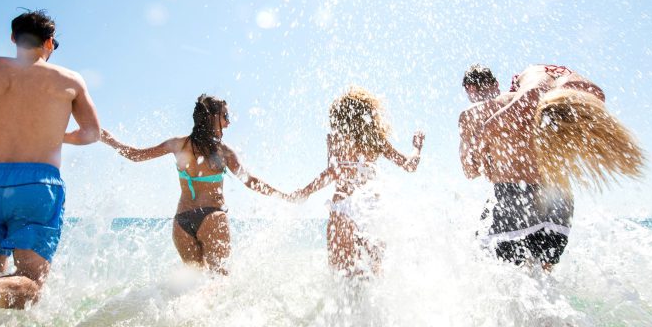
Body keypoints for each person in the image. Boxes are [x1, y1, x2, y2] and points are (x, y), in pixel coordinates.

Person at [0, 10, 101, 309]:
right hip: (37, 184)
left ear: (13, 38)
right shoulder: (70, 80)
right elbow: (92, 133)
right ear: (48, 42)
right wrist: (55, 136)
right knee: (30, 285)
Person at [459, 63, 644, 270]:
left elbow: (470, 171)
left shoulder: (477, 112)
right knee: (544, 278)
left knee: (489, 269)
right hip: (559, 200)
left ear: (469, 88)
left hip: (516, 195)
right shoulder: (560, 97)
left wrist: (483, 141)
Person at [100, 94, 288, 274]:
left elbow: (136, 155)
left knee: (193, 285)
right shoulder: (223, 151)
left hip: (182, 223)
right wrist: (285, 196)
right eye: (225, 116)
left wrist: (108, 139)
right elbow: (250, 181)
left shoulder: (178, 145)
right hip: (212, 217)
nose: (228, 123)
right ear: (213, 117)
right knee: (219, 281)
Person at [291, 87, 425, 276]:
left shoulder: (336, 138)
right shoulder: (376, 139)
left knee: (340, 277)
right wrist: (417, 148)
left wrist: (306, 191)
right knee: (372, 277)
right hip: (371, 210)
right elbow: (409, 165)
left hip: (343, 208)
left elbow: (333, 172)